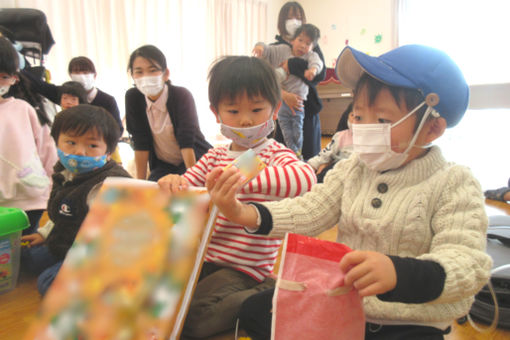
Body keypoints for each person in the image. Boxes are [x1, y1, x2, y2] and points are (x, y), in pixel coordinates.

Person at [206, 45, 493, 340]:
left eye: (381, 120)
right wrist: (245, 213)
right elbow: (309, 210)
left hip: (410, 323)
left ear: (432, 128)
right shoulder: (353, 169)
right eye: (358, 116)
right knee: (255, 311)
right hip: (343, 306)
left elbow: (467, 262)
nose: (365, 128)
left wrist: (398, 273)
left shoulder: (454, 182)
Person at [157, 56, 316, 339]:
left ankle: (270, 290)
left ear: (275, 109)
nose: (245, 119)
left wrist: (243, 174)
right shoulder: (215, 155)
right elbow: (188, 185)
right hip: (205, 258)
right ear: (216, 113)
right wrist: (173, 181)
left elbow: (305, 178)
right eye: (233, 111)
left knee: (193, 321)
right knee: (168, 306)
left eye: (256, 110)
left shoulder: (274, 154)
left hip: (248, 268)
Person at [20, 104, 131, 295]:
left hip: (94, 254)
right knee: (25, 259)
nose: (80, 151)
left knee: (48, 283)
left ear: (108, 151)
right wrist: (45, 234)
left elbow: (112, 236)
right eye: (71, 142)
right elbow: (62, 213)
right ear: (57, 142)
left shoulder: (107, 185)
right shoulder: (64, 171)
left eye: (92, 145)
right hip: (65, 242)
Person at [125, 44, 212, 181]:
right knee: (156, 194)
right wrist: (140, 183)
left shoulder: (181, 95)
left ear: (166, 74)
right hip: (163, 165)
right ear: (133, 76)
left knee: (190, 194)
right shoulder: (133, 97)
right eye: (139, 72)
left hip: (194, 159)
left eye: (152, 70)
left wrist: (192, 180)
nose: (145, 77)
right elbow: (140, 142)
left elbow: (186, 141)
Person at [0, 37, 57, 236]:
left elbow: (47, 152)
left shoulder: (23, 109)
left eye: (4, 76)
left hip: (28, 200)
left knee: (18, 256)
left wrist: (53, 190)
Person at [254, 24, 323, 160]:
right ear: (292, 40)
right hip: (282, 102)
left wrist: (312, 70)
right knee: (285, 127)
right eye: (300, 40)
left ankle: (297, 152)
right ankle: (293, 152)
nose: (303, 45)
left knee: (297, 127)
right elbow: (268, 50)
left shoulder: (310, 56)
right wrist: (260, 47)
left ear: (312, 47)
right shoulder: (283, 50)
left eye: (308, 43)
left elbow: (318, 63)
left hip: (298, 102)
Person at [272, 2, 326, 160]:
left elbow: (319, 76)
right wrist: (284, 95)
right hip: (282, 111)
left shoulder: (312, 46)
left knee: (309, 158)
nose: (294, 21)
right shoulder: (276, 48)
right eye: (289, 18)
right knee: (284, 157)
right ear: (282, 21)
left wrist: (292, 64)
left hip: (307, 110)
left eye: (298, 17)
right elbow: (267, 79)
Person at [307, 102, 353, 183]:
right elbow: (325, 154)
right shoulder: (341, 136)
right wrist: (310, 166)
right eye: (353, 115)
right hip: (337, 172)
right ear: (347, 116)